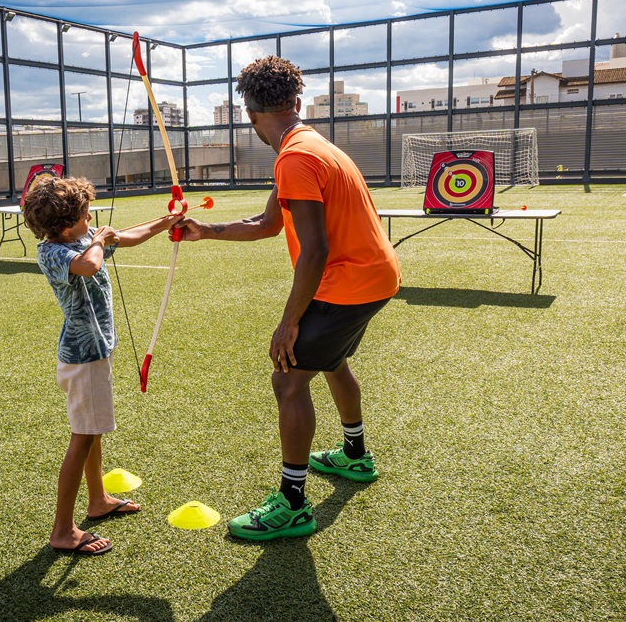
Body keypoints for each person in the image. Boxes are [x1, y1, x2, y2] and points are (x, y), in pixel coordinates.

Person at [177, 56, 401, 541]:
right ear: (296, 103)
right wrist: (206, 230)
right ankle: (354, 456)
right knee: (332, 362)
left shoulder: (295, 157)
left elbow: (315, 249)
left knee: (288, 380)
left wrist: (289, 323)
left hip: (349, 282)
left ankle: (294, 503)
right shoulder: (309, 145)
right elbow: (267, 224)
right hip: (375, 277)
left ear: (250, 115)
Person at [23, 175, 181, 555]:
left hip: (95, 352)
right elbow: (90, 265)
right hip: (82, 359)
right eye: (85, 214)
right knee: (82, 437)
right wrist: (98, 241)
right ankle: (63, 530)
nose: (91, 217)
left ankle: (98, 499)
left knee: (91, 432)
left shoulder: (83, 238)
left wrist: (168, 221)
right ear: (66, 226)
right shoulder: (54, 253)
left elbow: (129, 236)